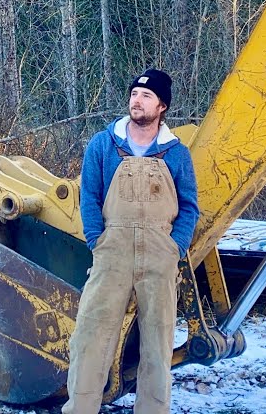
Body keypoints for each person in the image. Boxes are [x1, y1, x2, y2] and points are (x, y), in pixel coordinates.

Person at [62, 68, 199, 414]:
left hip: (159, 256)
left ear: (162, 106)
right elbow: (89, 197)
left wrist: (175, 247)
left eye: (146, 96)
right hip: (112, 253)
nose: (137, 101)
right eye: (134, 94)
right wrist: (98, 240)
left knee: (157, 346)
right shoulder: (103, 144)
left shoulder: (176, 153)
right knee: (91, 340)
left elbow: (190, 207)